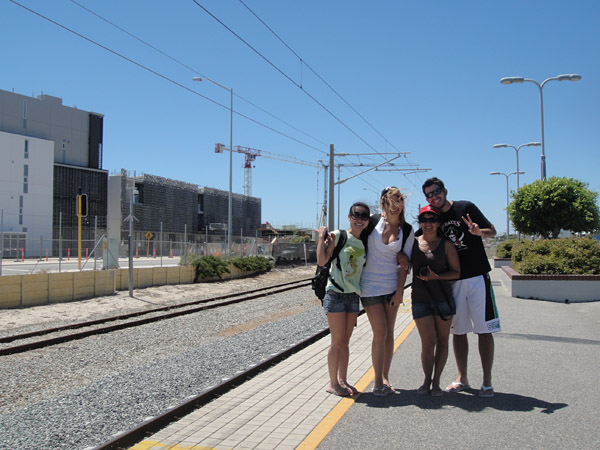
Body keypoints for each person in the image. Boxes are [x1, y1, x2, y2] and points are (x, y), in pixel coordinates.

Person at [422, 177, 500, 398]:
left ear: (445, 190)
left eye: (436, 191)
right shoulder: (434, 217)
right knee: (459, 331)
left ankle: (487, 382)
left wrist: (478, 232)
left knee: (484, 330)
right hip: (453, 281)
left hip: (477, 278)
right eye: (429, 195)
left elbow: (492, 231)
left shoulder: (465, 207)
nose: (434, 196)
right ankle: (462, 378)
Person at [360, 187, 414, 396]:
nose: (396, 205)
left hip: (392, 287)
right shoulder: (373, 222)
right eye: (391, 201)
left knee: (389, 333)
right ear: (383, 203)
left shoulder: (406, 230)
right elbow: (355, 237)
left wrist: (400, 292)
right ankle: (377, 382)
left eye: (399, 200)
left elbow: (405, 265)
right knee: (380, 332)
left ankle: (385, 377)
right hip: (370, 286)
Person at [317, 202, 370, 397]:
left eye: (364, 216)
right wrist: (321, 238)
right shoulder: (339, 235)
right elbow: (322, 260)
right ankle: (333, 383)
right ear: (349, 217)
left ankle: (343, 380)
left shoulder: (364, 243)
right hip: (335, 293)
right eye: (356, 215)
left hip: (353, 296)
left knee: (346, 341)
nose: (359, 219)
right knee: (337, 341)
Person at [411, 205, 460, 396]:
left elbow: (456, 272)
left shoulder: (446, 245)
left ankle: (436, 381)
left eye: (432, 219)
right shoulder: (412, 243)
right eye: (424, 219)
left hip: (443, 299)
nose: (428, 223)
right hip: (420, 299)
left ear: (438, 223)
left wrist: (436, 277)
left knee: (442, 341)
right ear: (419, 222)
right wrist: (401, 256)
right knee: (428, 342)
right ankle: (426, 380)